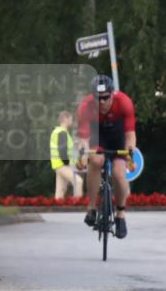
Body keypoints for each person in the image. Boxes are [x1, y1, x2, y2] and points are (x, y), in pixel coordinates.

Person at [75, 75, 137, 239]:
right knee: (95, 160)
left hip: (118, 137)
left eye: (105, 98)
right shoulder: (85, 106)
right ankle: (92, 208)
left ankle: (120, 215)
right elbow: (83, 139)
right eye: (98, 98)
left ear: (112, 94)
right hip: (98, 137)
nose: (101, 102)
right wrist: (83, 154)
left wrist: (129, 153)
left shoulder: (124, 102)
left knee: (118, 173)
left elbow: (130, 135)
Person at [50, 110, 82, 199]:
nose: (71, 121)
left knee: (60, 191)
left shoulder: (57, 131)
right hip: (63, 165)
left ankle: (56, 209)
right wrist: (67, 163)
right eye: (71, 119)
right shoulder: (62, 132)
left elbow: (65, 148)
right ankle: (78, 206)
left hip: (58, 164)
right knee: (78, 182)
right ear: (66, 119)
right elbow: (62, 150)